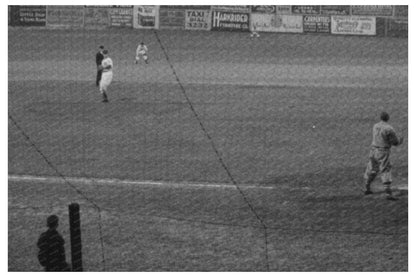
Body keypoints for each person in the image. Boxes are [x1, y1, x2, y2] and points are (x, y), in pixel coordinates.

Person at [363, 112, 404, 200]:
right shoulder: (389, 128)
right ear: (388, 118)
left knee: (372, 169)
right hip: (383, 152)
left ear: (381, 118)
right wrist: (400, 140)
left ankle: (366, 188)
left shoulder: (375, 126)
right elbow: (395, 142)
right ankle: (388, 194)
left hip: (373, 151)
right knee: (385, 169)